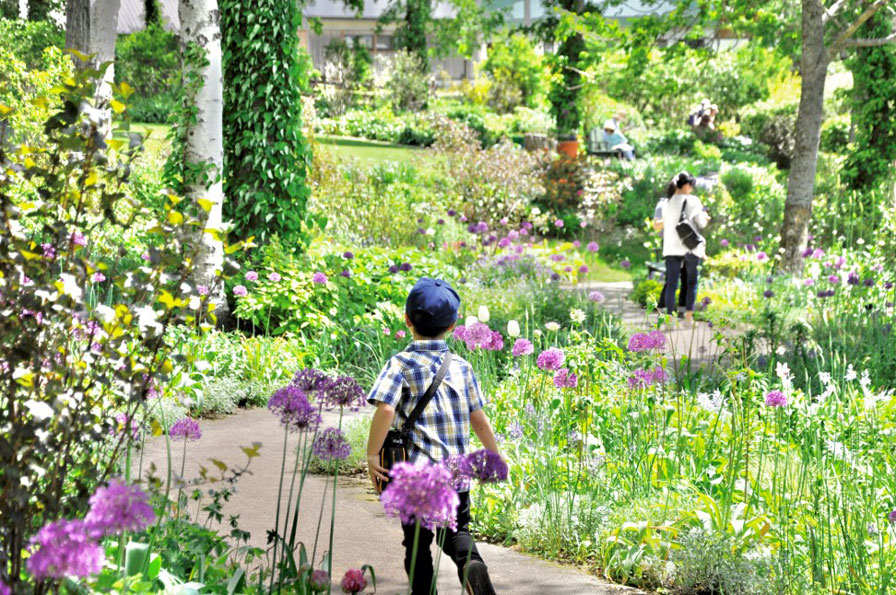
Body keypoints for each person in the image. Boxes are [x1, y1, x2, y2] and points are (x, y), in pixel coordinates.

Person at [366, 277, 500, 595]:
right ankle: (472, 566)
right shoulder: (462, 367)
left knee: (417, 546)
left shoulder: (399, 364)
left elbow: (385, 410)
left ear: (407, 320)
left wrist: (372, 454)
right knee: (457, 533)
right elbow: (478, 419)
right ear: (453, 326)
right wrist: (494, 454)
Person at [661, 171, 710, 324]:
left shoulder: (666, 203)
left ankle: (669, 318)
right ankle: (688, 317)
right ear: (687, 185)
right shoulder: (693, 201)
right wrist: (706, 218)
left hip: (670, 248)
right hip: (690, 247)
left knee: (671, 284)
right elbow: (700, 223)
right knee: (691, 282)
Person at [653, 179, 687, 312]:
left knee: (686, 277)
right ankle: (665, 308)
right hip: (671, 245)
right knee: (672, 278)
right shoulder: (663, 204)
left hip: (686, 244)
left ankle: (681, 310)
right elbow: (656, 225)